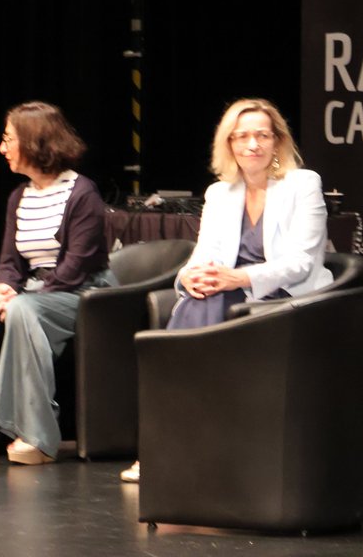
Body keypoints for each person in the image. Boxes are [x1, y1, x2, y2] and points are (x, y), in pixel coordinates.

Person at [120, 97, 331, 483]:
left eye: (262, 136)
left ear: (277, 141)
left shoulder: (303, 184)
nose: (253, 145)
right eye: (243, 136)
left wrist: (239, 279)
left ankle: (166, 451)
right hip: (230, 294)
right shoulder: (220, 193)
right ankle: (176, 447)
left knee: (200, 312)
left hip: (286, 297)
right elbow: (203, 256)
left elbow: (302, 262)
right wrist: (191, 278)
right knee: (197, 299)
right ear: (230, 144)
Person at [0, 101, 113, 466]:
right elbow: (9, 260)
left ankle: (36, 434)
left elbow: (74, 268)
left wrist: (21, 296)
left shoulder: (82, 194)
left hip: (82, 293)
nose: (2, 148)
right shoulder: (19, 196)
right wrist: (5, 285)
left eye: (8, 139)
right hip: (34, 293)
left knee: (22, 307)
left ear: (34, 143)